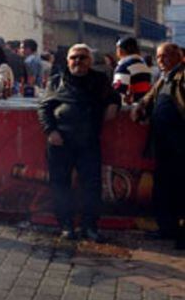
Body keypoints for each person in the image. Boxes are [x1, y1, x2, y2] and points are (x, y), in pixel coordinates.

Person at [37, 44, 118, 242]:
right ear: (67, 60)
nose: (78, 61)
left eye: (82, 57)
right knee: (60, 184)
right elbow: (44, 108)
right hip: (60, 141)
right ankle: (66, 225)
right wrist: (50, 130)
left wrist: (115, 104)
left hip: (88, 140)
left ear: (90, 61)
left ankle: (90, 226)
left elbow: (114, 95)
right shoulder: (56, 81)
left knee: (92, 186)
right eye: (74, 58)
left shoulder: (99, 80)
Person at [132, 42, 185, 249]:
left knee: (180, 189)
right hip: (163, 144)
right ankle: (166, 229)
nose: (161, 60)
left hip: (180, 144)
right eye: (159, 57)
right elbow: (150, 96)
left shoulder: (182, 76)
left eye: (166, 56)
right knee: (163, 188)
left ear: (178, 57)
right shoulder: (163, 78)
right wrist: (140, 106)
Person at [113, 36, 153, 105]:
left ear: (120, 50)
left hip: (131, 109)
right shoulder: (144, 66)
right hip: (145, 105)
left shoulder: (124, 67)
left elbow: (118, 91)